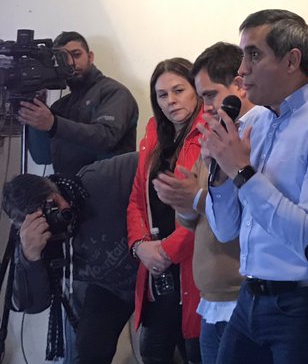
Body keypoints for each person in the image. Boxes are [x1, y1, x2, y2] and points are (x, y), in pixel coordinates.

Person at [200, 9, 308, 364]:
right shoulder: (255, 121)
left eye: (254, 55)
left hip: (305, 305)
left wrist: (242, 172)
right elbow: (225, 230)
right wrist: (220, 174)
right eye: (243, 55)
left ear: (291, 60)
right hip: (250, 296)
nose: (241, 70)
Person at [154, 42, 257, 364]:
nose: (206, 106)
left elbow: (248, 215)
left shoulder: (255, 136)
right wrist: (182, 202)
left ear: (238, 86)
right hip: (212, 298)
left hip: (242, 295)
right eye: (203, 97)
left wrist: (196, 198)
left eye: (211, 95)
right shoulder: (214, 137)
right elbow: (194, 221)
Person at [2, 151, 138, 364]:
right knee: (88, 349)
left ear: (53, 187)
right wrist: (31, 257)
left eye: (54, 204)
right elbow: (34, 305)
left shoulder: (100, 180)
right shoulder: (34, 242)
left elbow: (151, 161)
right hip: (110, 288)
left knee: (155, 347)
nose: (60, 214)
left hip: (153, 265)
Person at [127, 58, 203, 364]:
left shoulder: (210, 133)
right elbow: (136, 199)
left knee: (196, 353)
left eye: (178, 90)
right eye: (162, 95)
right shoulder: (154, 136)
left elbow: (209, 210)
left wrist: (167, 251)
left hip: (194, 268)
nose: (170, 100)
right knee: (153, 353)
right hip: (157, 271)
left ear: (196, 89)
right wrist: (139, 246)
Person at [18, 31, 139, 176]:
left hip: (108, 187)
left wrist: (54, 124)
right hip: (67, 188)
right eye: (62, 58)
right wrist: (34, 114)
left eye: (76, 55)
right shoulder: (60, 106)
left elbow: (106, 137)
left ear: (90, 56)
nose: (71, 63)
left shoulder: (114, 92)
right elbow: (42, 157)